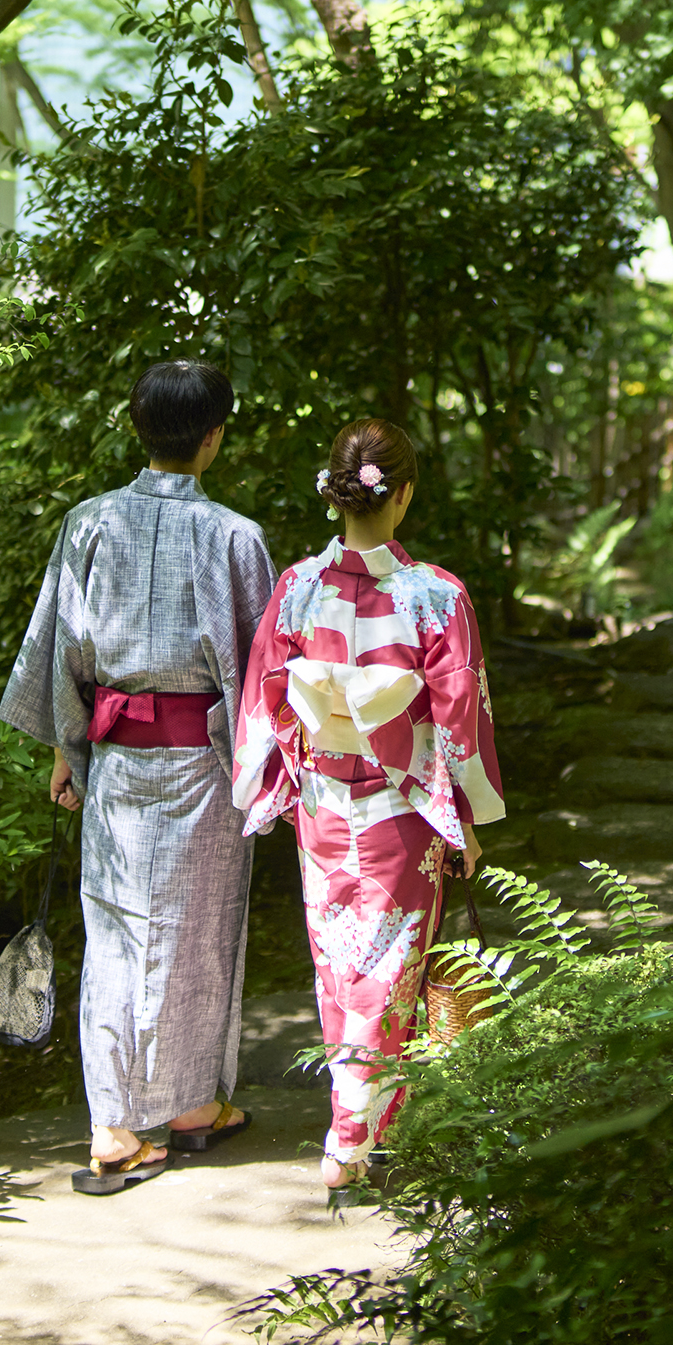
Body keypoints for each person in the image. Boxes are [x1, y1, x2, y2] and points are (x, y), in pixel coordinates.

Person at [0, 361, 277, 1195]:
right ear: (215, 436)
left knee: (119, 932)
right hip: (206, 763)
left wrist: (65, 750)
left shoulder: (88, 525)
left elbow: (62, 656)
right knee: (200, 928)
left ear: (136, 425)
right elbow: (265, 675)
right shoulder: (237, 536)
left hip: (118, 766)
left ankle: (120, 1123)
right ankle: (186, 1108)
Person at [232, 417, 504, 1189]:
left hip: (322, 803)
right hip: (403, 806)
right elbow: (458, 719)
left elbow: (265, 701)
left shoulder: (296, 588)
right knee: (388, 966)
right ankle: (351, 1133)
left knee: (340, 959)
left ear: (337, 495)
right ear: (404, 495)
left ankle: (375, 1116)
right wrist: (468, 816)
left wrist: (275, 782)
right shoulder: (436, 596)